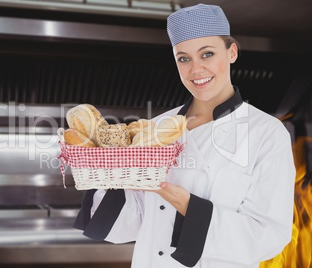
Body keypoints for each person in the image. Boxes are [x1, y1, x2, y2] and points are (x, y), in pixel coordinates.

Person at [73, 3, 296, 268]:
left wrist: (190, 208)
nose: (195, 70)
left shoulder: (266, 132)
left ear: (232, 52)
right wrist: (105, 174)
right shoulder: (154, 128)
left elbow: (269, 236)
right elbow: (131, 222)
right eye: (184, 58)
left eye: (207, 54)